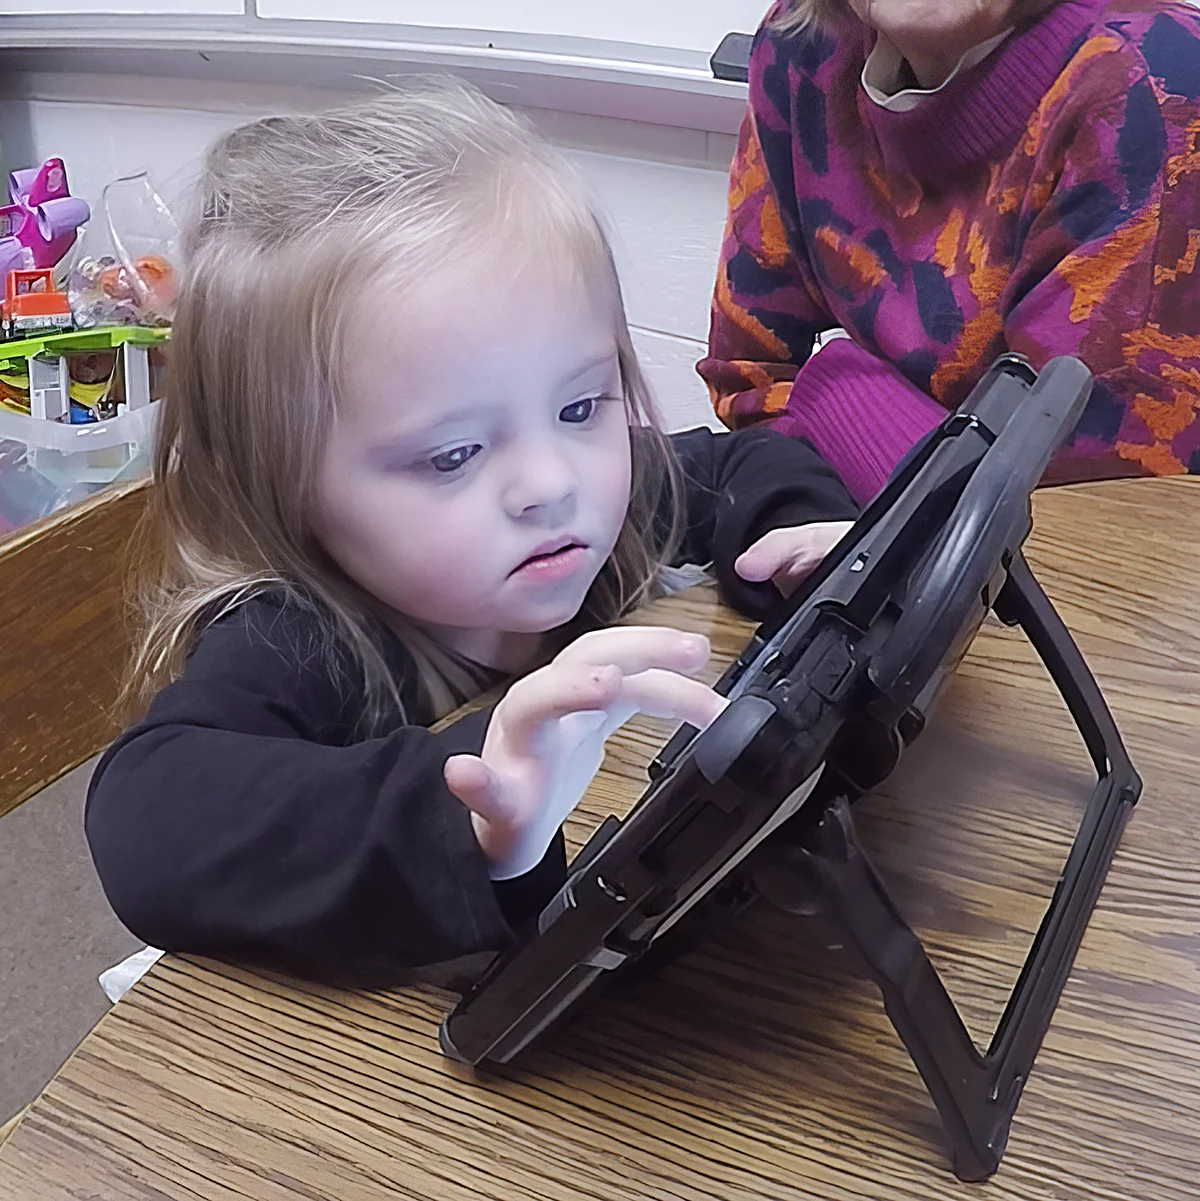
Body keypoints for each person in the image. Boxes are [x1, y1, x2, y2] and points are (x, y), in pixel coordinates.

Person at [84, 80, 859, 989]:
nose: (549, 482)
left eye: (580, 404)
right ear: (287, 488)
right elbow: (146, 815)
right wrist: (466, 803)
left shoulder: (600, 507)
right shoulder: (301, 634)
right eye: (453, 455)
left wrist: (800, 532)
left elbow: (731, 466)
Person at [701, 0, 1200, 504]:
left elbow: (1083, 506)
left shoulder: (1155, 86)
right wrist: (830, 506)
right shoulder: (802, 46)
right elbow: (746, 377)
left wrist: (840, 390)